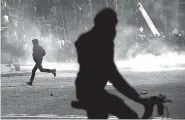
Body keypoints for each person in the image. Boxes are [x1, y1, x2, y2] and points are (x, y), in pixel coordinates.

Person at [73, 8, 148, 119]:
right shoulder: (102, 42)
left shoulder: (87, 39)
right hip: (92, 92)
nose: (114, 30)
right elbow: (112, 75)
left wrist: (136, 97)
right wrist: (136, 97)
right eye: (112, 25)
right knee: (130, 116)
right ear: (105, 25)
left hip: (87, 89)